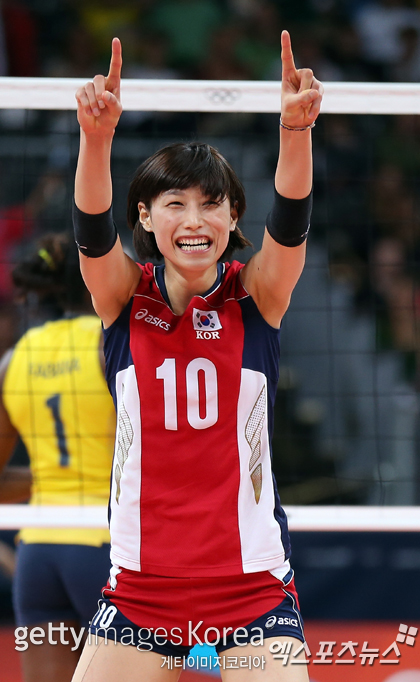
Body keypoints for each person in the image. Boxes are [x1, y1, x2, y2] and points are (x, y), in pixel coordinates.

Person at [71, 31, 322, 682]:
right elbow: (92, 237)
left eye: (212, 203)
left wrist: (295, 134)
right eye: (174, 203)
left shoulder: (256, 295)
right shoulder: (125, 299)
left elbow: (290, 227)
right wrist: (95, 140)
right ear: (147, 219)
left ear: (234, 216)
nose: (194, 218)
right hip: (139, 593)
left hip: (250, 593)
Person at [0, 233, 116, 682]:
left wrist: (48, 478)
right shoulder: (113, 344)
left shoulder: (13, 359)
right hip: (106, 549)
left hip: (39, 554)